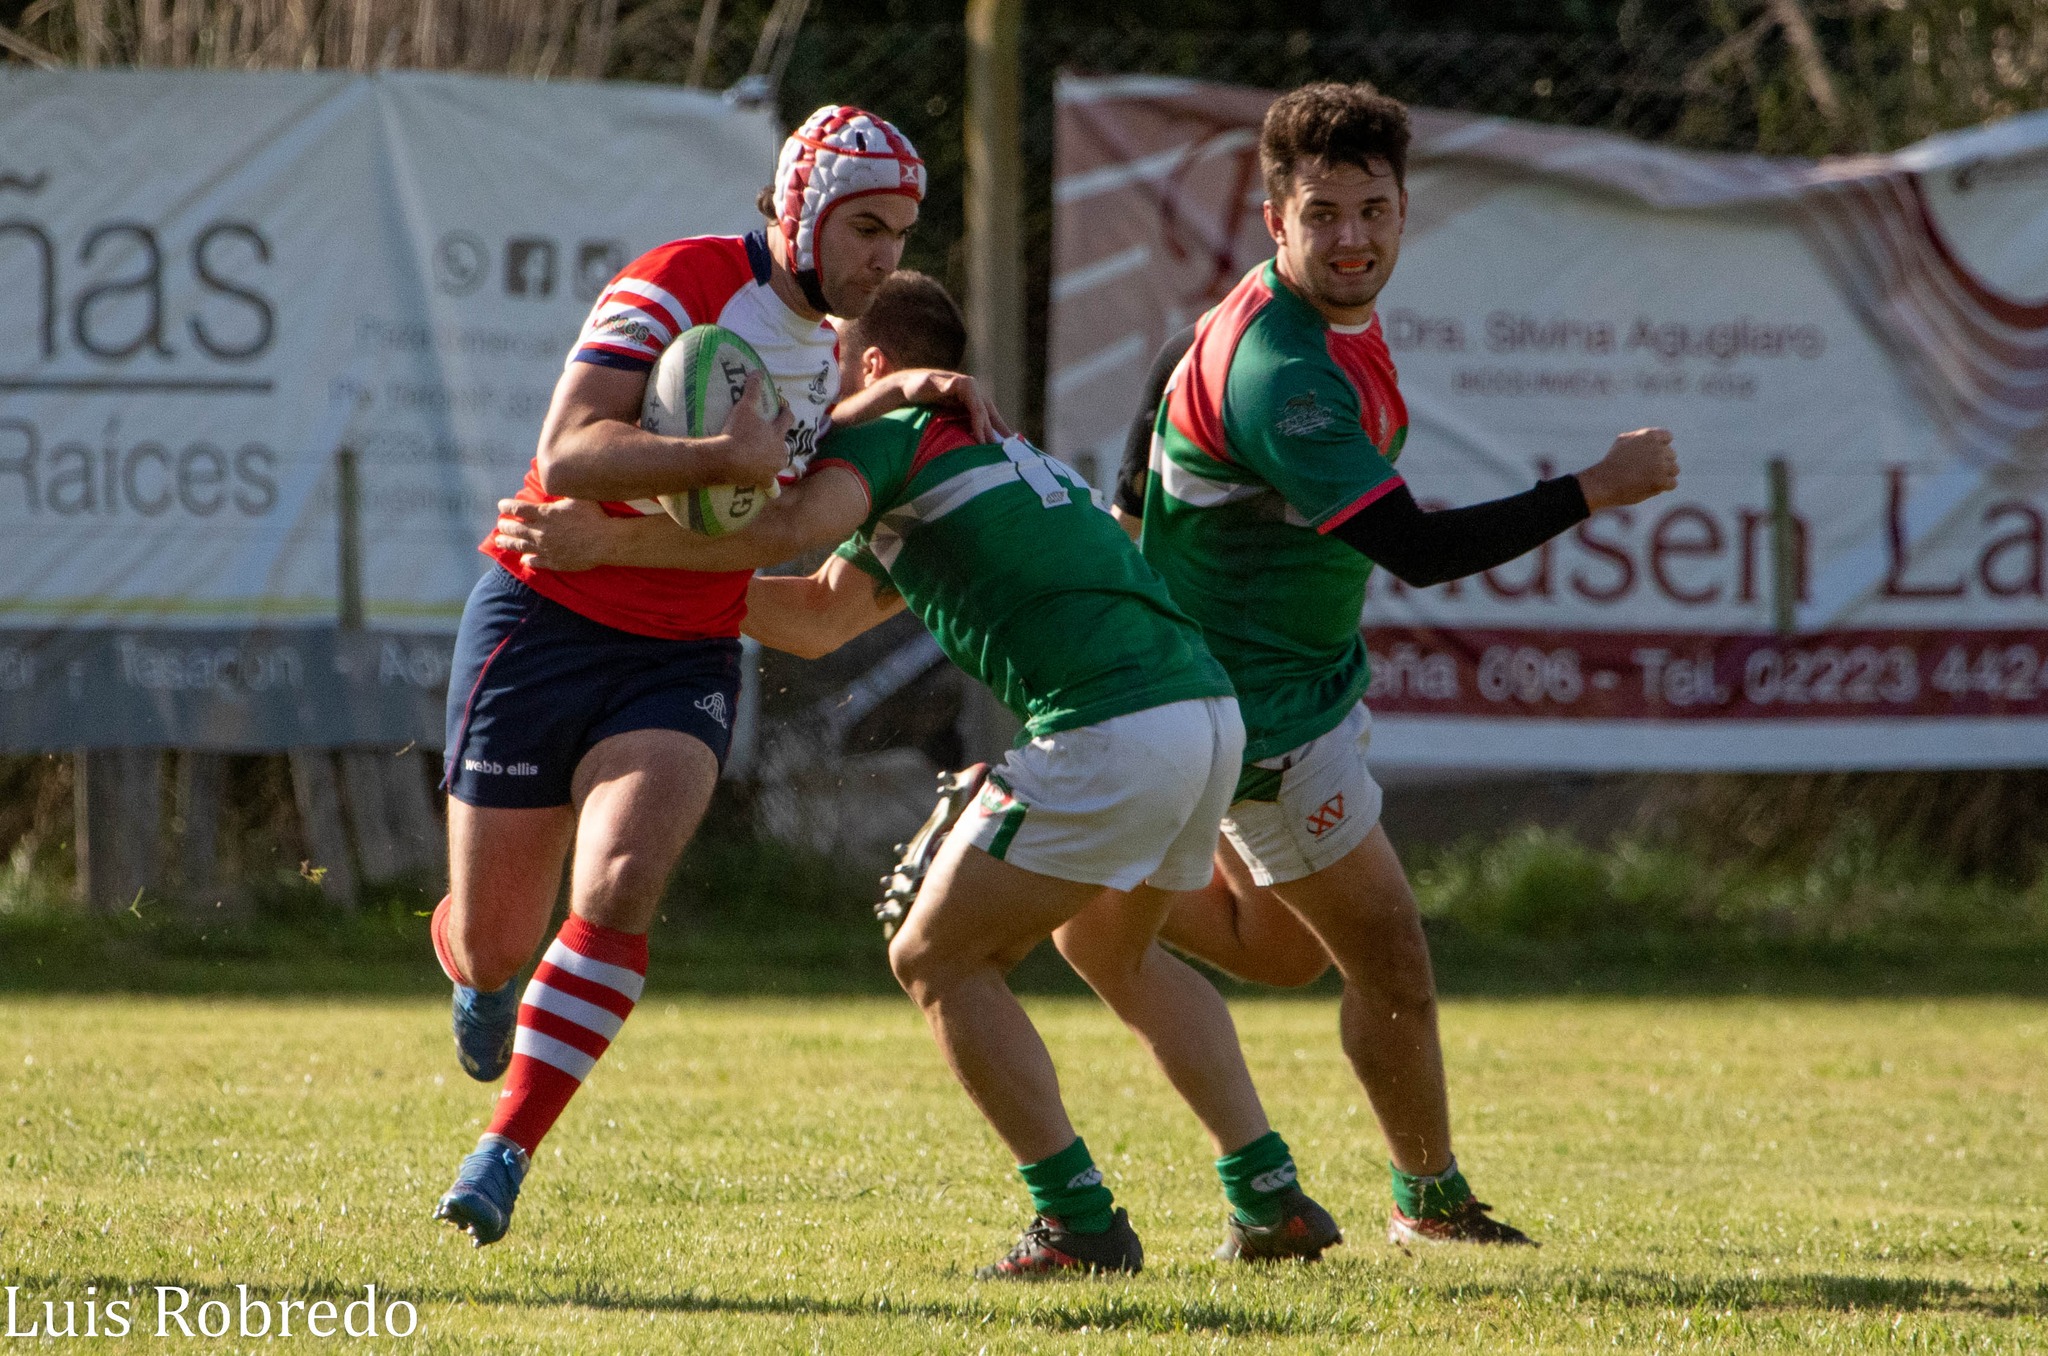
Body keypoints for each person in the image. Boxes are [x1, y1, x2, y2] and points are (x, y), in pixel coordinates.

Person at [902, 82, 1682, 1248]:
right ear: (1276, 220)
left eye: (1372, 210)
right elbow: (1413, 549)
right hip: (1264, 724)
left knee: (1265, 952)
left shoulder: (1271, 325)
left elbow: (1136, 469)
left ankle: (1092, 886)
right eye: (1323, 215)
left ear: (1405, 212)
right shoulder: (1287, 375)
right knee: (1393, 967)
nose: (1352, 237)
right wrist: (1592, 488)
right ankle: (1429, 1202)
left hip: (1243, 704)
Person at [494, 270, 1345, 1277]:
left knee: (935, 959)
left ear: (874, 365)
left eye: (827, 369)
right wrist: (644, 566)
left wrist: (612, 543)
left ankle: (1077, 1222)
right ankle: (1269, 1195)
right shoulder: (972, 449)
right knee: (1116, 954)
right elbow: (817, 615)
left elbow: (790, 529)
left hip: (1114, 723)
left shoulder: (888, 433)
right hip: (1198, 714)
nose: (807, 396)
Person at [428, 106, 977, 1248]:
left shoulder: (830, 353)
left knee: (622, 880)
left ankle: (504, 1149)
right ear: (800, 213)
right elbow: (571, 451)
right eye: (864, 228)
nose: (885, 257)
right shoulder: (674, 282)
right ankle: (477, 974)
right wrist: (715, 460)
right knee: (496, 939)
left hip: (681, 646)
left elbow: (764, 531)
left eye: (899, 234)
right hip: (539, 620)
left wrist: (906, 393)